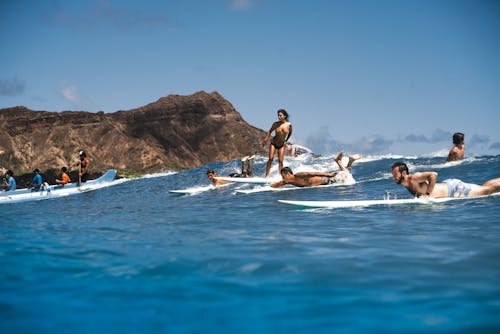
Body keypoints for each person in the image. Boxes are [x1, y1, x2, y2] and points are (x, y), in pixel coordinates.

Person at [391, 162, 500, 198]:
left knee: (488, 190)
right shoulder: (406, 184)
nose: (393, 177)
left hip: (454, 189)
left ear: (404, 173)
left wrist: (428, 194)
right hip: (448, 186)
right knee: (485, 187)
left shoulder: (413, 178)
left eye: (395, 174)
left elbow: (433, 175)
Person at [271, 151, 361, 188]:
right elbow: (275, 185)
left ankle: (340, 162)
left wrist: (328, 174)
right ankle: (344, 162)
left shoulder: (298, 174)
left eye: (283, 176)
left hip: (326, 180)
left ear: (288, 174)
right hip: (323, 184)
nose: (282, 178)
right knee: (348, 177)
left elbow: (313, 173)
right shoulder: (287, 181)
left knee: (348, 179)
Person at [262, 109, 293, 177]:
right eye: (278, 115)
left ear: (284, 116)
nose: (279, 117)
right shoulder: (276, 124)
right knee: (270, 159)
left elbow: (290, 133)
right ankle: (266, 175)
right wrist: (265, 139)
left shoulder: (289, 125)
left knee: (281, 161)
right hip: (274, 143)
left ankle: (281, 176)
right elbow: (270, 131)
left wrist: (286, 140)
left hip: (281, 144)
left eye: (280, 115)